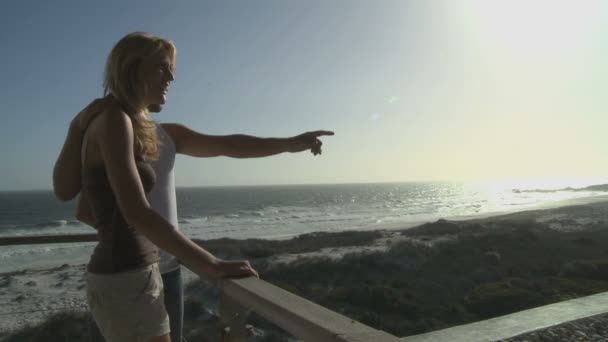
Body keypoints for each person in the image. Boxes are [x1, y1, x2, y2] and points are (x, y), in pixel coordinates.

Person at [53, 31, 333, 342]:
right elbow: (118, 207)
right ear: (132, 68)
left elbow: (229, 145)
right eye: (162, 66)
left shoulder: (157, 133)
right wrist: (209, 263)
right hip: (130, 272)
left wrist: (290, 143)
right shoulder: (111, 121)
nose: (171, 77)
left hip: (160, 269)